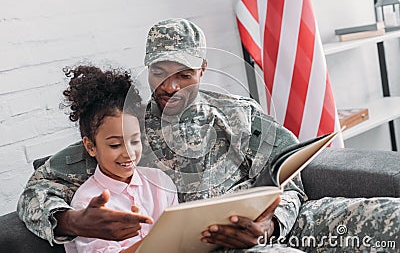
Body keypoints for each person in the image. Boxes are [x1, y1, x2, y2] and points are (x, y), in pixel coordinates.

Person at [17, 18, 399, 253]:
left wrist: (270, 224)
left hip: (281, 225)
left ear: (202, 69)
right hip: (221, 246)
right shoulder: (127, 131)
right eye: (159, 72)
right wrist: (70, 222)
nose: (170, 86)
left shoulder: (237, 114)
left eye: (183, 73)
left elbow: (289, 178)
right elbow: (38, 188)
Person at [59, 65, 178, 252]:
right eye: (115, 145)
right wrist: (161, 240)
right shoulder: (87, 201)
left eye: (135, 141)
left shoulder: (159, 182)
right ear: (91, 146)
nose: (128, 153)